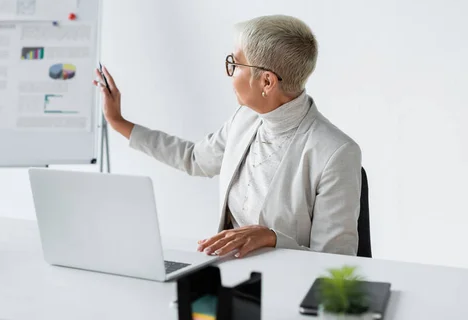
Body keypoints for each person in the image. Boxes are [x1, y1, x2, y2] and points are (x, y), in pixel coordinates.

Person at [93, 15, 361, 258]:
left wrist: (272, 238)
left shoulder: (335, 152)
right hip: (231, 276)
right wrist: (118, 122)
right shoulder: (244, 119)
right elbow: (194, 159)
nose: (230, 73)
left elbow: (335, 261)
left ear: (266, 82)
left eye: (235, 63)